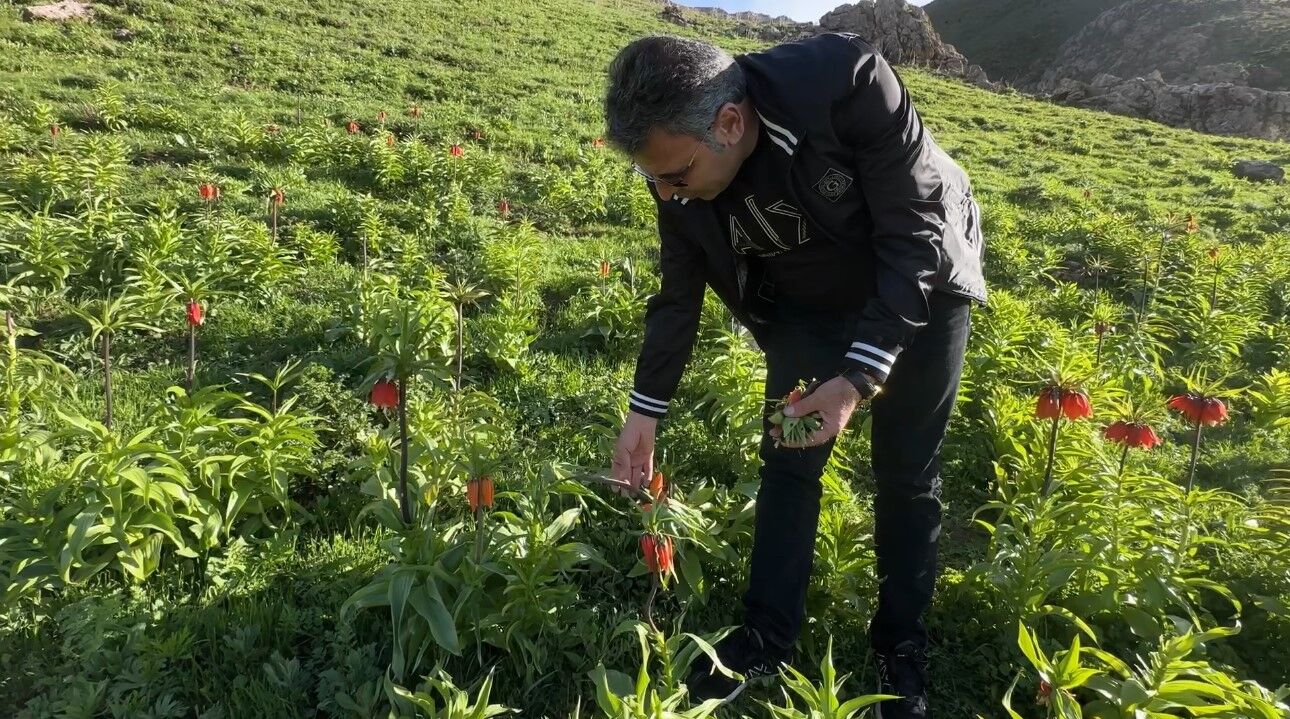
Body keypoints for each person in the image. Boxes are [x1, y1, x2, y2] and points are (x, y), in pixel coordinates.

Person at [602, 32, 986, 716]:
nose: (665, 193)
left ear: (730, 122)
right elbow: (677, 294)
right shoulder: (679, 172)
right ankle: (764, 637)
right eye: (652, 178)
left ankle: (901, 647)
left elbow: (914, 230)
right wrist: (644, 411)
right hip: (809, 297)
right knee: (788, 458)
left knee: (905, 471)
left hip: (920, 278)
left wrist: (861, 374)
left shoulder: (846, 84)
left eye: (676, 175)